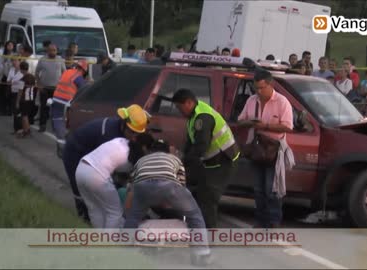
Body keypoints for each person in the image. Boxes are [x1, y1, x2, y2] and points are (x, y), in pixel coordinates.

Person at [124, 133, 211, 266]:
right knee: (195, 215)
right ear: (167, 150)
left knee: (133, 217)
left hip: (142, 187)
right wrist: (173, 201)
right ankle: (202, 253)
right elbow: (181, 184)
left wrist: (129, 210)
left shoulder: (141, 160)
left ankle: (124, 251)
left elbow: (131, 186)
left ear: (150, 150)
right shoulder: (174, 159)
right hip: (168, 186)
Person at [62, 104, 149, 221]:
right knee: (82, 190)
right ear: (123, 124)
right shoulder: (108, 134)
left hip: (90, 154)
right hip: (75, 152)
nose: (134, 137)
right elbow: (102, 167)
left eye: (137, 134)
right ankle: (83, 218)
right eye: (132, 132)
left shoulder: (120, 131)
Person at [172, 89, 240, 228]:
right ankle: (199, 230)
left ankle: (209, 235)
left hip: (224, 161)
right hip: (213, 162)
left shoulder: (202, 118)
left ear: (189, 103)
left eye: (180, 107)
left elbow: (200, 146)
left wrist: (183, 163)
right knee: (201, 193)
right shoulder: (194, 114)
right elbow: (191, 141)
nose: (179, 111)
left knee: (207, 198)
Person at [237, 69, 294, 228]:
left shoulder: (282, 102)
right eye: (257, 88)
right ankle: (261, 220)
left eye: (262, 88)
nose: (259, 92)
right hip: (256, 150)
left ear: (271, 85)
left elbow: (287, 127)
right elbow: (240, 121)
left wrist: (266, 126)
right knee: (258, 189)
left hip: (273, 151)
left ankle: (274, 220)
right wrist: (251, 123)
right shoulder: (251, 101)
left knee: (272, 189)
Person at [75, 137, 131, 228]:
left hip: (81, 168)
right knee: (115, 212)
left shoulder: (118, 140)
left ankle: (100, 239)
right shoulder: (129, 154)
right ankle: (107, 241)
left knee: (94, 209)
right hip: (97, 175)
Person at [51, 60, 88, 145]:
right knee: (70, 121)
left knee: (58, 119)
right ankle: (66, 142)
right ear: (83, 70)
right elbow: (84, 90)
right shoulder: (78, 76)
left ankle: (60, 140)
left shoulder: (67, 72)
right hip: (66, 102)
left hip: (56, 98)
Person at [35, 44, 66, 132]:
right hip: (44, 88)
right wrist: (39, 85)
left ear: (56, 51)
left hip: (56, 89)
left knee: (56, 109)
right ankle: (42, 125)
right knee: (44, 108)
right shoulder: (42, 59)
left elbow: (64, 73)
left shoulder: (60, 60)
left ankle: (56, 127)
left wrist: (62, 87)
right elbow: (37, 73)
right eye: (50, 50)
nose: (52, 52)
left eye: (54, 50)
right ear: (47, 51)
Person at [7, 58, 24, 134]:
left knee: (19, 110)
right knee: (15, 111)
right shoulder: (11, 69)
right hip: (13, 92)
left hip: (20, 93)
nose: (14, 62)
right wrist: (12, 81)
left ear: (19, 61)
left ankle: (20, 128)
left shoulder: (22, 71)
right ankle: (16, 129)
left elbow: (22, 82)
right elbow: (8, 81)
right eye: (12, 60)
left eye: (15, 60)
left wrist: (12, 81)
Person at [16, 72, 35, 138]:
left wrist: (17, 102)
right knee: (26, 115)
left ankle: (26, 131)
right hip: (31, 99)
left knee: (24, 116)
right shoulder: (32, 77)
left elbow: (20, 91)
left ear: (21, 69)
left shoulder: (22, 79)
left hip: (24, 99)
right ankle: (27, 129)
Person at [0, 41, 15, 115]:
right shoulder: (2, 54)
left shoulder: (14, 55)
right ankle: (1, 109)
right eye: (8, 45)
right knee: (2, 93)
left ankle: (9, 110)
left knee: (10, 94)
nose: (10, 46)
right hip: (3, 76)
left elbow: (14, 66)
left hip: (11, 77)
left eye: (11, 45)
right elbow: (0, 65)